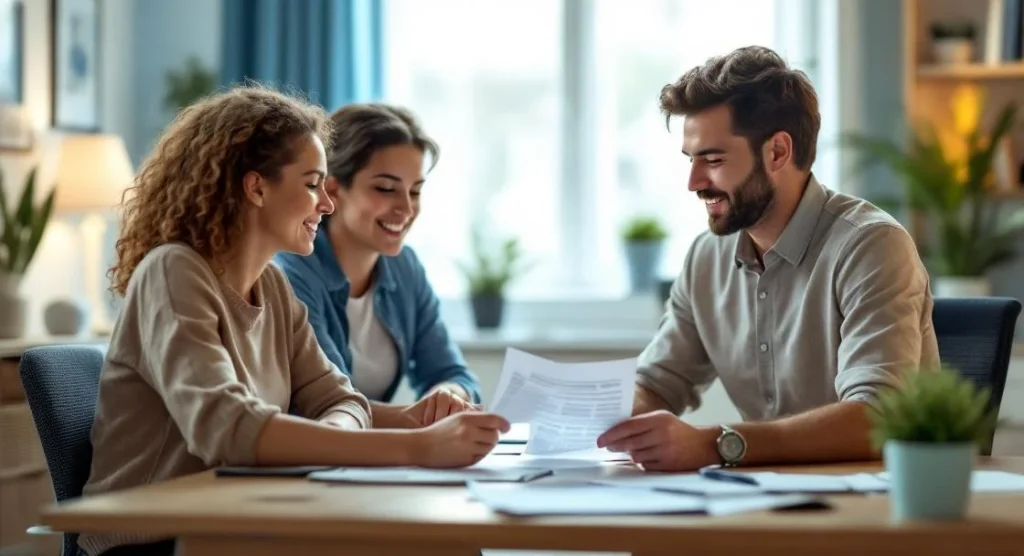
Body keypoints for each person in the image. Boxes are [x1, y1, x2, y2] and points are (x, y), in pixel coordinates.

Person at [80, 85, 509, 556]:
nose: (325, 204)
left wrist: (336, 436)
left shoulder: (273, 288)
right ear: (256, 187)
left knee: (445, 543)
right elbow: (227, 428)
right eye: (311, 184)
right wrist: (417, 448)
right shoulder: (172, 271)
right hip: (156, 538)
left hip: (246, 519)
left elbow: (343, 400)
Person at [597, 46, 939, 472]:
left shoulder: (870, 246)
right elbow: (657, 382)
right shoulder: (707, 257)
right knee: (645, 535)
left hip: (874, 510)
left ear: (777, 152)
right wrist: (607, 414)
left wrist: (715, 445)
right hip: (762, 501)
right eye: (691, 161)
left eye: (714, 160)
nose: (694, 183)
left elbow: (876, 417)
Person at [274, 103, 481, 427]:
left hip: (365, 458)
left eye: (415, 191)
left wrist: (448, 396)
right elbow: (328, 401)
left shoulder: (405, 267)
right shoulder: (291, 271)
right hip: (307, 460)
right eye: (385, 189)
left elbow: (451, 373)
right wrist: (420, 419)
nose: (406, 208)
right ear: (332, 189)